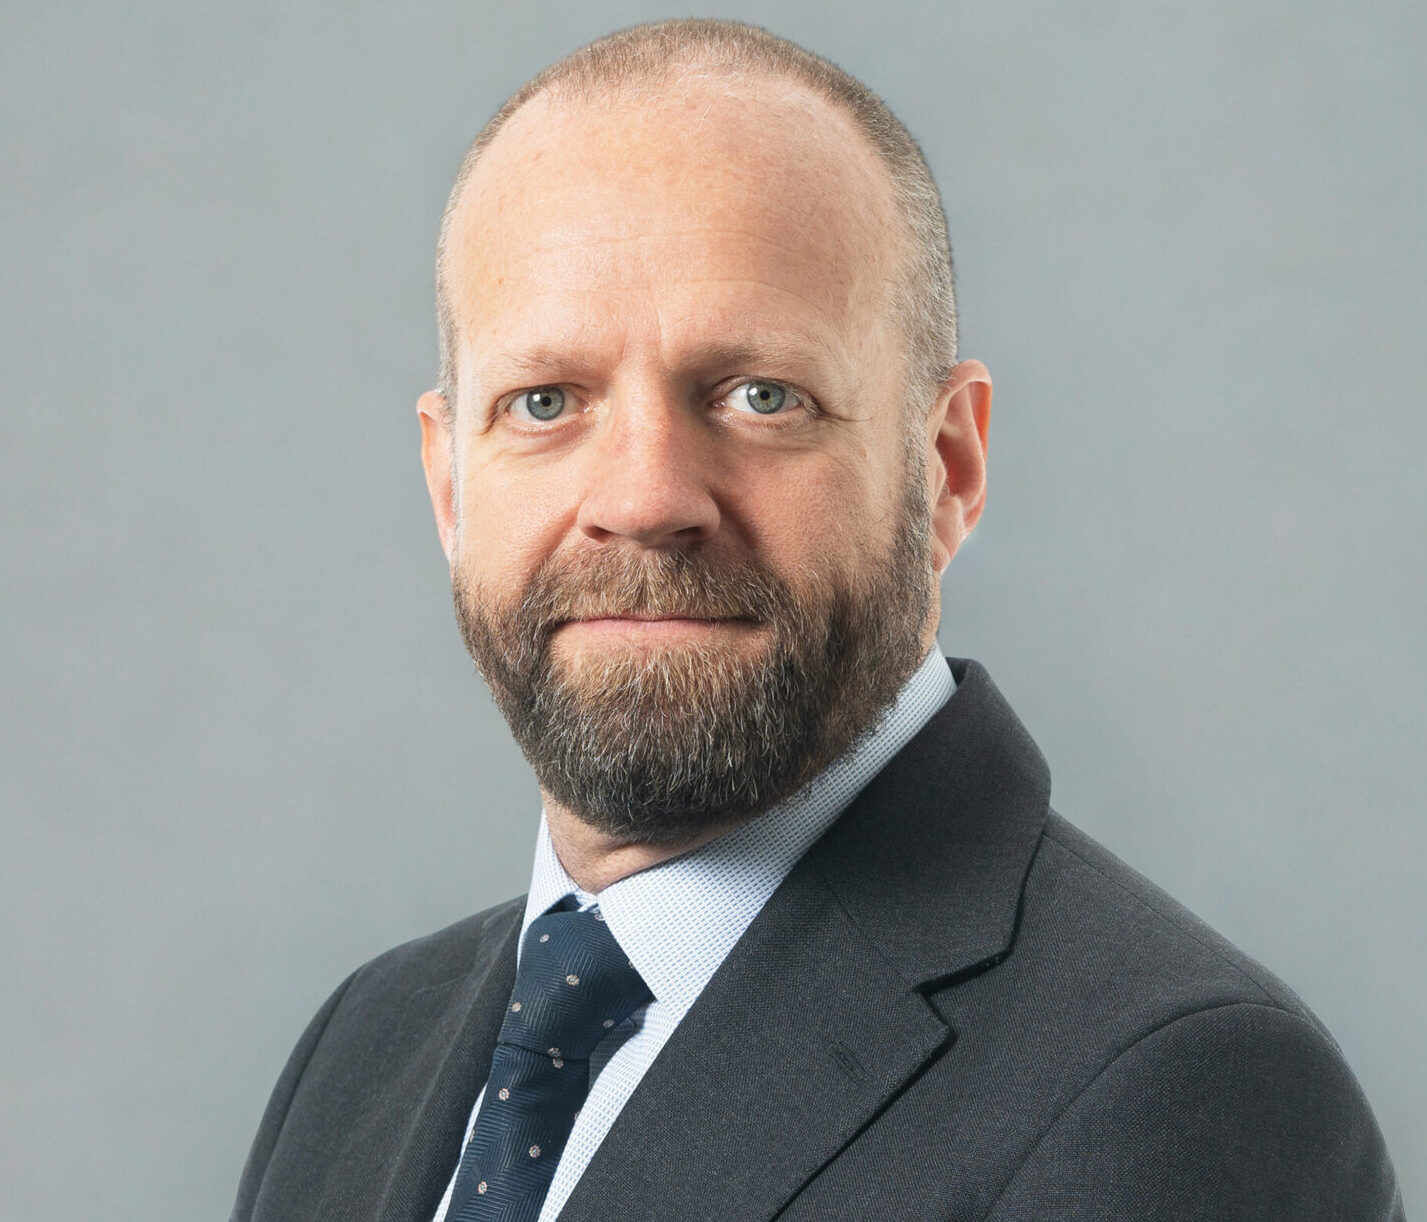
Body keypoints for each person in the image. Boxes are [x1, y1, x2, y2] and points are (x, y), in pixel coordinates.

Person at [230, 19, 1404, 1222]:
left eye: (759, 397)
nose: (643, 499)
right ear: (448, 481)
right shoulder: (364, 1048)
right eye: (544, 401)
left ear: (944, 467)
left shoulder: (1181, 1094)